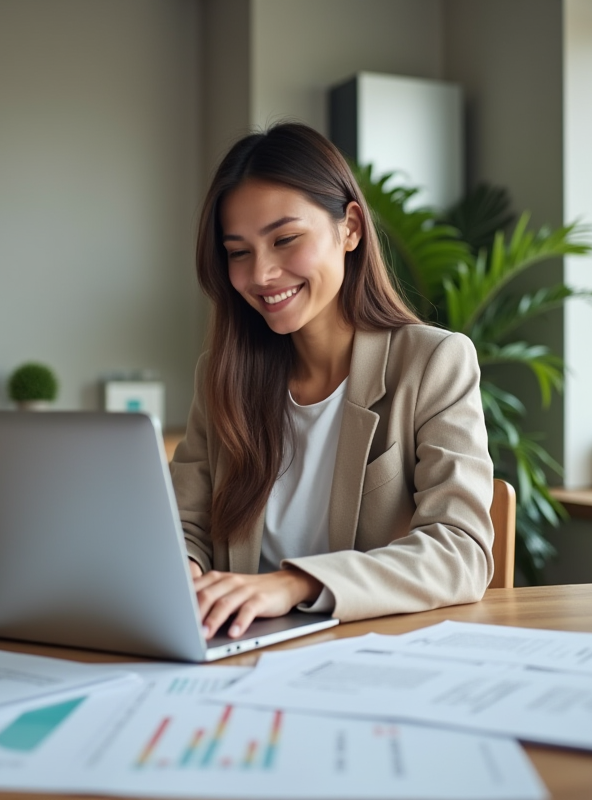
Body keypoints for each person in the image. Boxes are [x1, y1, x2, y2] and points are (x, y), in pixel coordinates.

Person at [170, 122, 494, 641]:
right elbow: (187, 525)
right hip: (237, 650)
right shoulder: (222, 375)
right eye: (238, 252)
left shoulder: (432, 362)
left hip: (368, 654)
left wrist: (295, 584)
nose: (261, 274)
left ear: (350, 229)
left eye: (285, 240)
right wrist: (182, 575)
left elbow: (460, 551)